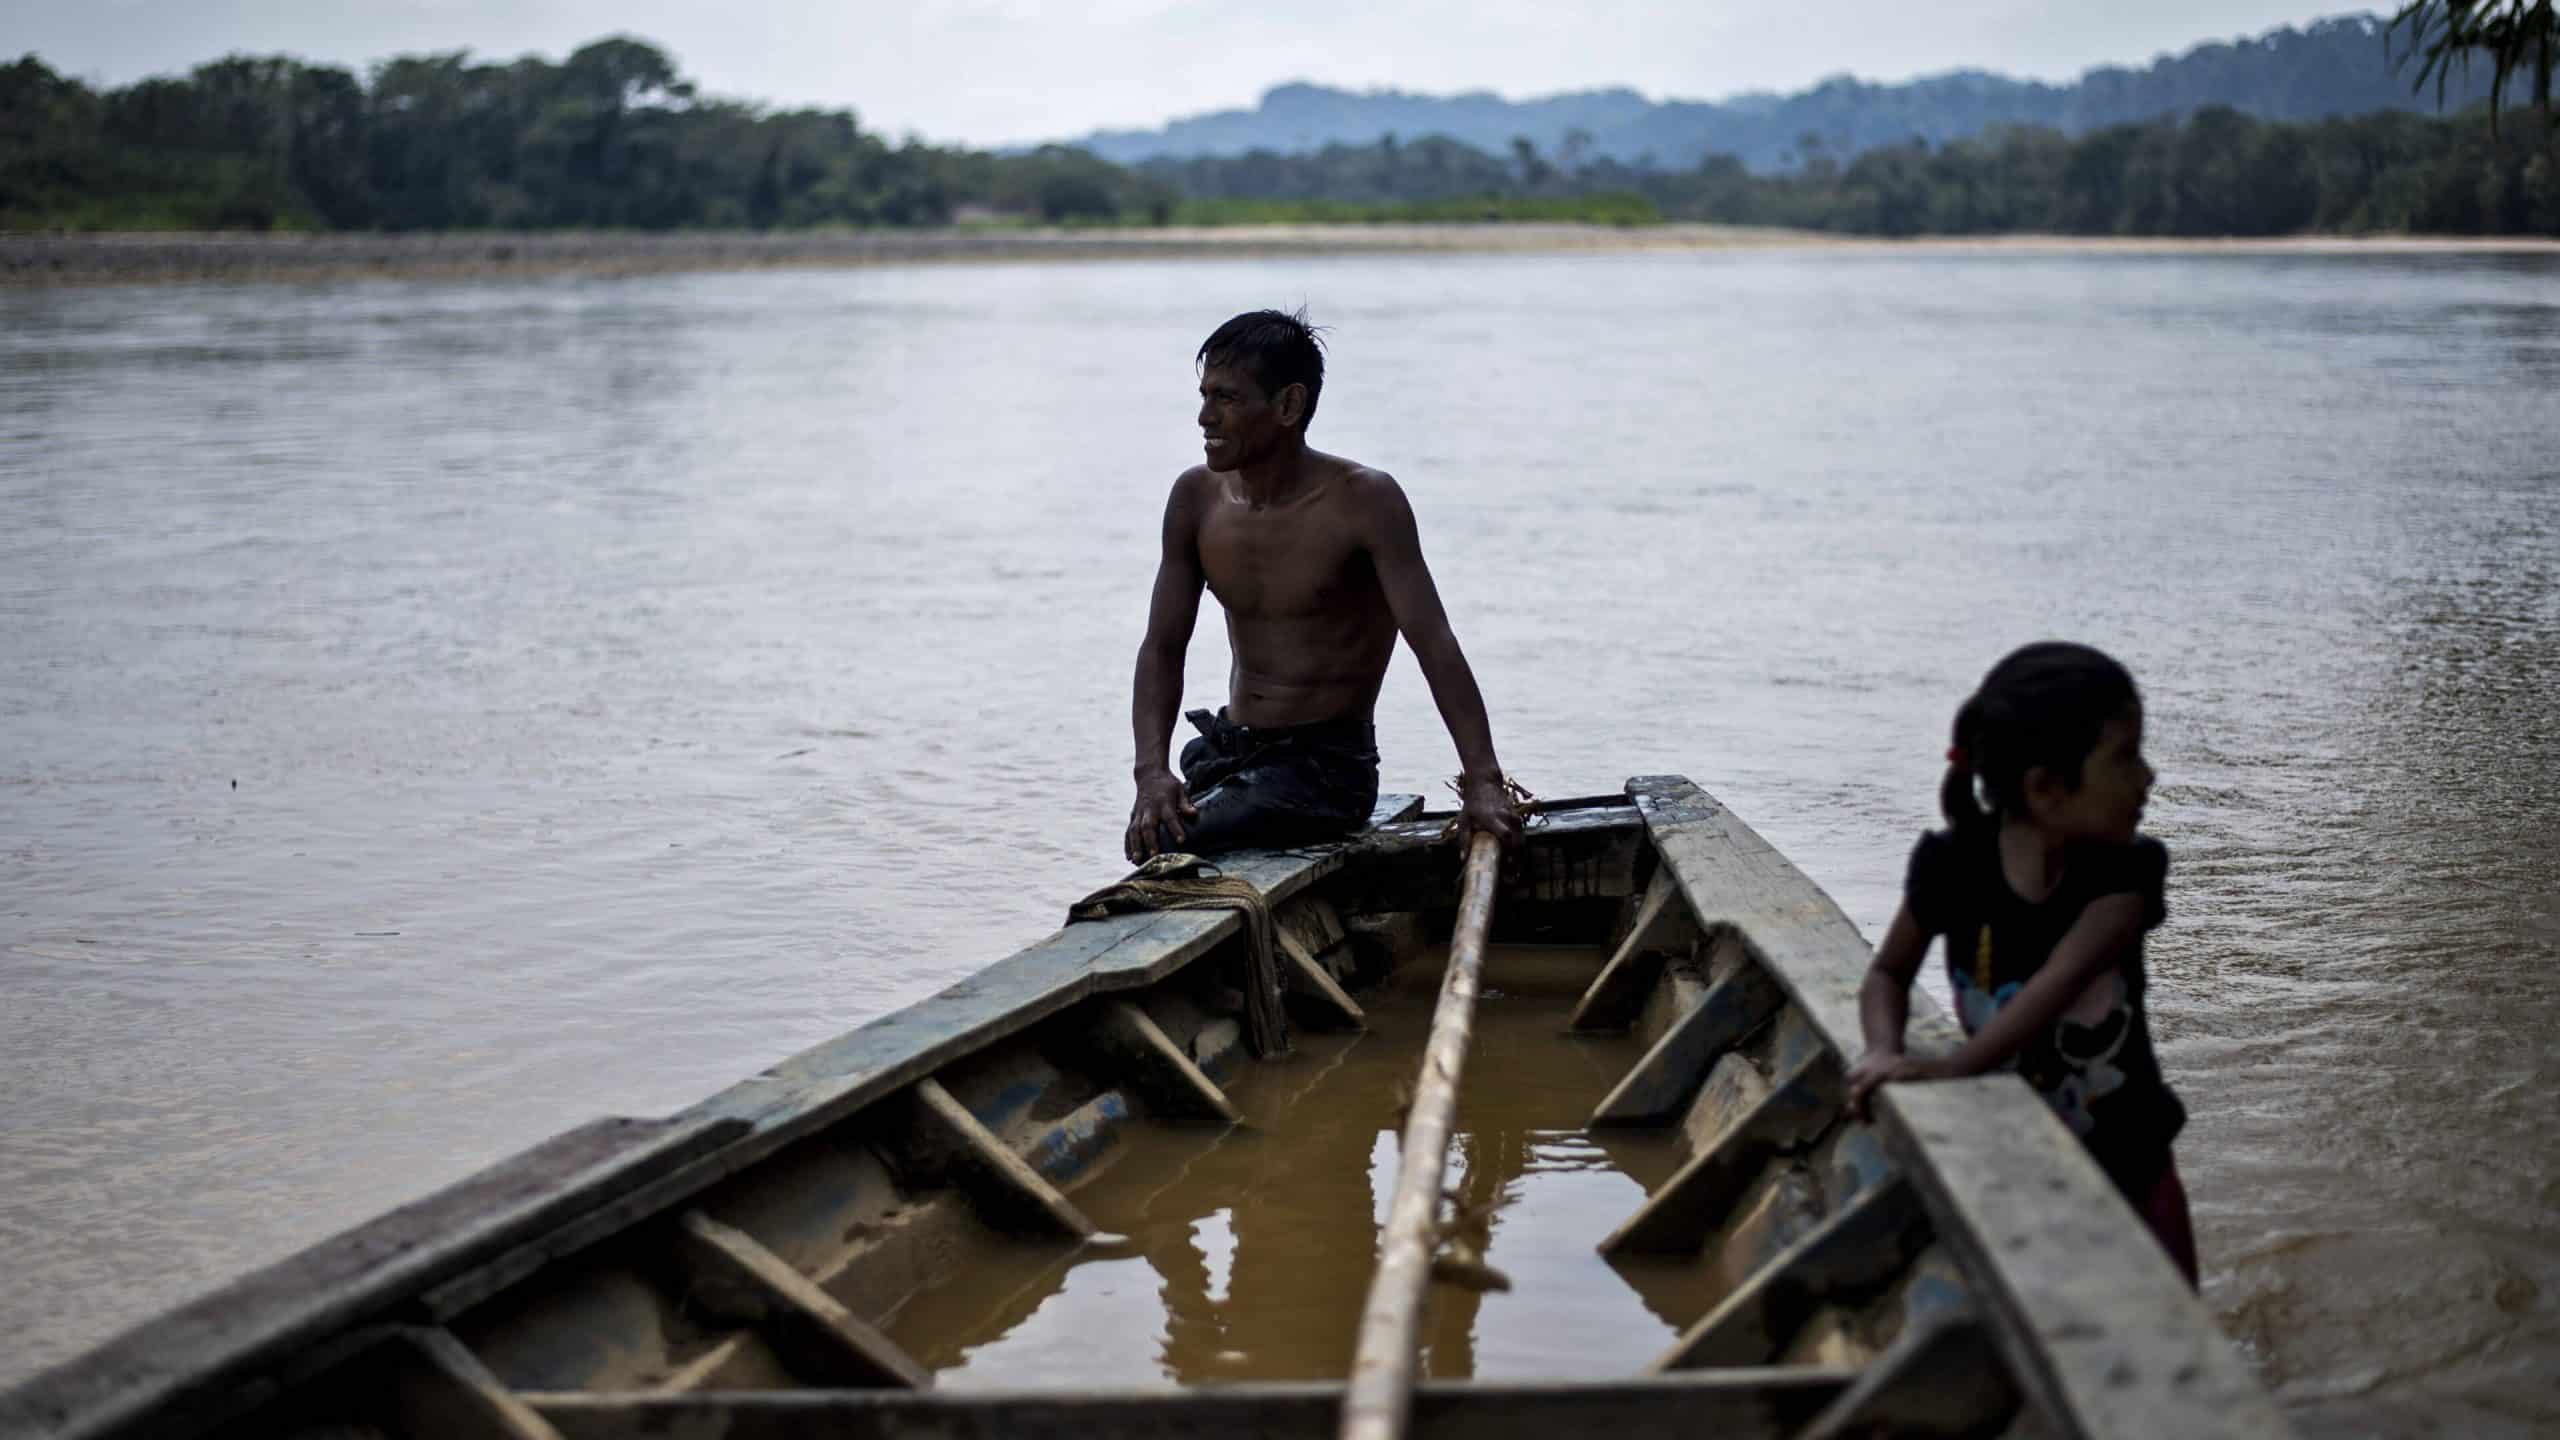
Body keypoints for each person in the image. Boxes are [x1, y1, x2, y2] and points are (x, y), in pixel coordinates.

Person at [1844, 641, 2198, 1285]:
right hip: (2011, 1161)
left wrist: (1950, 1069)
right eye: (2125, 757)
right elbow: (1888, 974)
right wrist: (1879, 1049)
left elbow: (2058, 984)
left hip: (2133, 1175)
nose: (2148, 777)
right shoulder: (1951, 866)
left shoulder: (2126, 876)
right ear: (2045, 789)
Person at [1126, 309, 1520, 862]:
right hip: (1230, 750)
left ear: (1289, 405)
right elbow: (1163, 647)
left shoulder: (1364, 502)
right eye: (1204, 394)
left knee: (1169, 840)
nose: (1204, 417)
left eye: (1228, 399)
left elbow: (1434, 642)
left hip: (1324, 771)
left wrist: (1483, 781)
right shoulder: (1196, 499)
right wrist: (1151, 772)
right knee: (1152, 822)